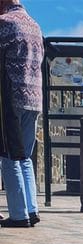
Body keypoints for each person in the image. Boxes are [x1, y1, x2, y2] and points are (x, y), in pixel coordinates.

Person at [0, 0, 43, 229]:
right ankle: (31, 209)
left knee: (8, 156)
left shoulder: (5, 23)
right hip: (35, 100)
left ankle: (18, 215)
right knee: (25, 157)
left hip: (12, 99)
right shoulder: (35, 26)